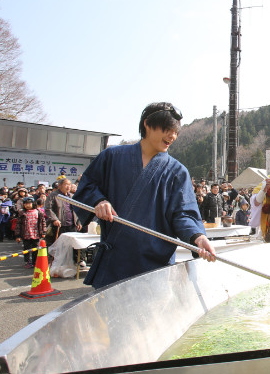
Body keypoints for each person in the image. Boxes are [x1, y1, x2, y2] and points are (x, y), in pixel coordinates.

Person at [73, 102, 215, 289]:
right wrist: (98, 201)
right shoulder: (111, 157)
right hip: (114, 262)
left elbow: (184, 213)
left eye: (175, 132)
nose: (172, 136)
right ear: (147, 124)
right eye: (166, 129)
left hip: (155, 265)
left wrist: (197, 236)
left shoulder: (177, 172)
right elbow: (88, 185)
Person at [16, 197, 47, 268]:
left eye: (29, 203)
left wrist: (44, 232)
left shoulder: (39, 212)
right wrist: (18, 236)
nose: (27, 205)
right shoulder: (22, 213)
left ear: (33, 204)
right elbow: (18, 225)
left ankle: (34, 262)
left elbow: (43, 223)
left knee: (35, 249)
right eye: (25, 204)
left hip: (36, 234)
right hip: (26, 234)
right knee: (26, 249)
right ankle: (27, 262)